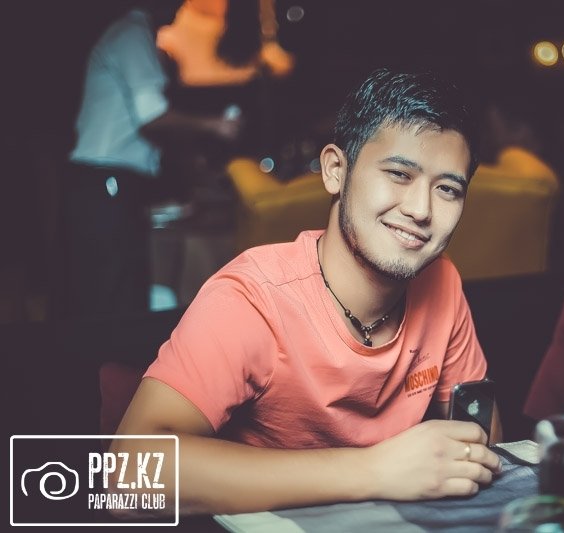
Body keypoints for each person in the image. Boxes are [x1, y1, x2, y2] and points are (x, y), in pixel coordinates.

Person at [111, 68, 503, 515]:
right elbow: (128, 474)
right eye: (398, 174)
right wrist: (373, 470)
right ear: (336, 170)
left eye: (448, 189)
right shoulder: (252, 298)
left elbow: (483, 437)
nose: (420, 210)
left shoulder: (442, 282)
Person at [65, 0, 241, 317]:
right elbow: (151, 115)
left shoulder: (135, 33)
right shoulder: (133, 32)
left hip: (106, 181)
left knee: (118, 294)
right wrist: (216, 125)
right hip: (105, 181)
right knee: (113, 299)